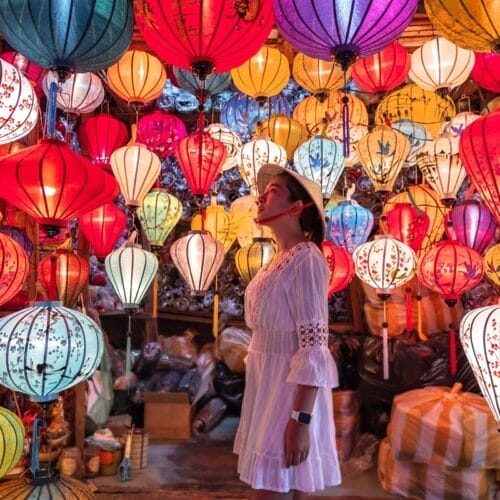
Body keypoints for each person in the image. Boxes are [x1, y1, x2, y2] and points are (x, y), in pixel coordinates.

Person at [234, 163, 341, 499]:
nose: (261, 198)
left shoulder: (307, 259)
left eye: (273, 192)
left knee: (274, 487)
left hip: (289, 392)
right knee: (279, 487)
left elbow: (313, 346)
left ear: (298, 206)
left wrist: (301, 419)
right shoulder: (278, 259)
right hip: (267, 387)